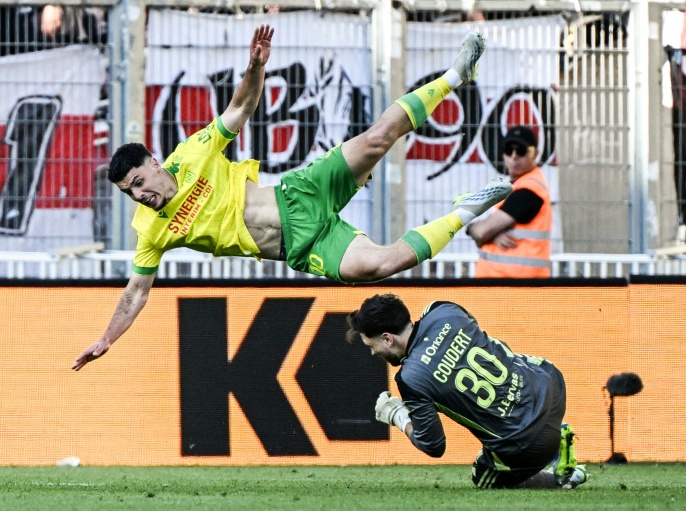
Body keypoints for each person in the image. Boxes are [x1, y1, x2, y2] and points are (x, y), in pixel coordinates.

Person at [71, 25, 512, 371]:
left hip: (299, 194)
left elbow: (239, 110)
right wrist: (107, 338)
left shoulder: (191, 154)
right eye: (129, 192)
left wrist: (255, 67)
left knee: (378, 139)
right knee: (380, 265)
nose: (139, 194)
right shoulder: (150, 230)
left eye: (137, 181)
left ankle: (457, 74)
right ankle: (464, 210)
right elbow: (135, 293)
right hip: (303, 245)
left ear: (153, 160)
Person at [346, 293, 589, 489]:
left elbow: (433, 446)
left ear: (388, 339)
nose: (373, 352)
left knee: (482, 476)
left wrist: (397, 416)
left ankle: (562, 475)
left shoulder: (410, 378)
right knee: (505, 354)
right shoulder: (442, 309)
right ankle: (558, 441)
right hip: (553, 388)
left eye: (372, 345)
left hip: (528, 443)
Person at [467, 125, 551, 277]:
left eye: (521, 150)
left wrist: (485, 233)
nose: (514, 156)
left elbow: (480, 232)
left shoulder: (529, 190)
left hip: (514, 288)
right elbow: (481, 231)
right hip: (505, 286)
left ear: (535, 153)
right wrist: (490, 234)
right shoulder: (518, 186)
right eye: (508, 149)